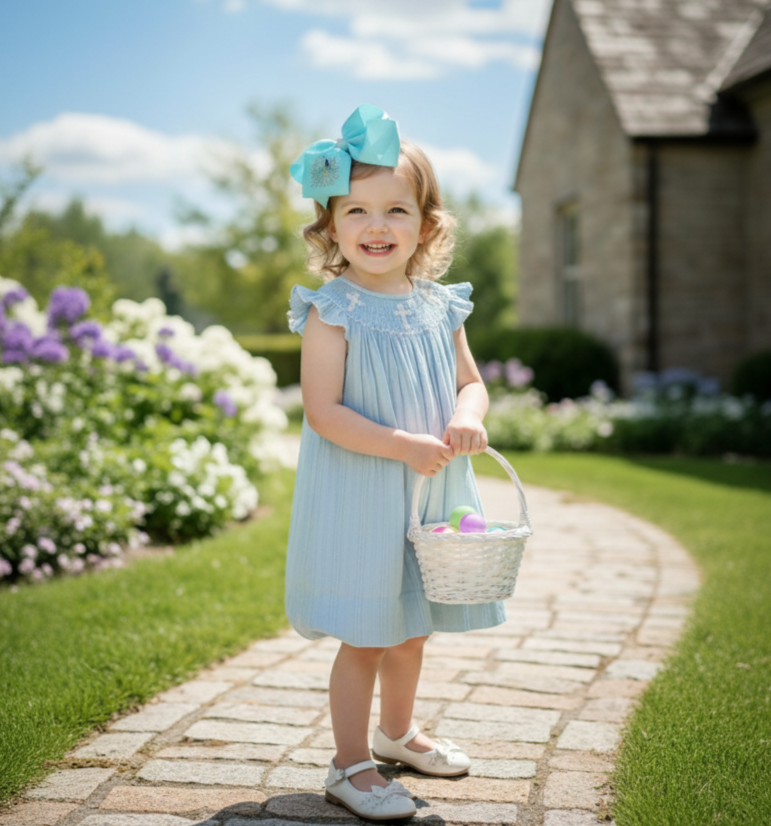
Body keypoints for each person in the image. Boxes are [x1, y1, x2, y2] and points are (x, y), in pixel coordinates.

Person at [286, 105, 505, 821]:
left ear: (426, 225)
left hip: (427, 493)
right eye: (357, 210)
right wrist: (403, 445)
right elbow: (324, 412)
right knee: (368, 633)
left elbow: (471, 382)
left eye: (396, 210)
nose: (376, 226)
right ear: (330, 226)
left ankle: (397, 733)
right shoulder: (333, 310)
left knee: (413, 625)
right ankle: (349, 764)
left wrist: (467, 416)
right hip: (364, 490)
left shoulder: (441, 307)